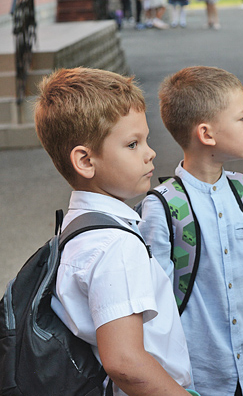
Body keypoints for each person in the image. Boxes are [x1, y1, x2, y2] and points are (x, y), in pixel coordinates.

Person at [138, 67, 243, 396]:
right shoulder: (163, 209)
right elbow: (155, 310)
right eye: (242, 117)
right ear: (207, 134)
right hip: (198, 381)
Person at [34, 68, 194, 395]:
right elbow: (125, 362)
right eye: (133, 144)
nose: (150, 152)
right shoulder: (115, 245)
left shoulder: (80, 227)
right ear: (85, 161)